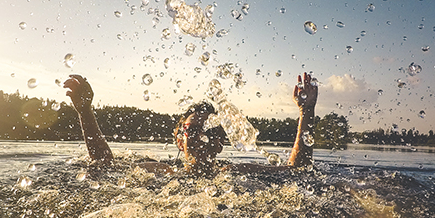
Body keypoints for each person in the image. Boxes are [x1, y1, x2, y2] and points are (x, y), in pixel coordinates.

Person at [63, 72, 319, 175]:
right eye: (192, 130)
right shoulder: (162, 171)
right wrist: (85, 111)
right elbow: (104, 165)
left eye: (208, 131)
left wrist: (306, 112)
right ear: (179, 139)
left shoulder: (233, 173)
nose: (200, 137)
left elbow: (298, 171)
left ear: (220, 144)